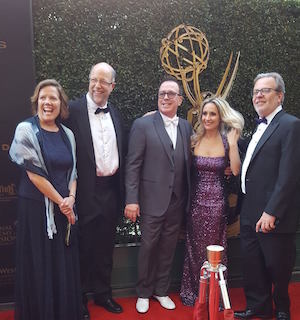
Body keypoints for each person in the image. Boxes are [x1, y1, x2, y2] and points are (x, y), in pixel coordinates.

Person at [9, 79, 81, 320]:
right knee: (40, 267)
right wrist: (63, 203)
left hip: (63, 213)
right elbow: (35, 175)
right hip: (37, 214)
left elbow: (73, 172)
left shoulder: (68, 134)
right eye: (43, 98)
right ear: (36, 102)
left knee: (62, 266)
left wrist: (71, 198)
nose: (48, 103)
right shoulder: (26, 130)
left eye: (53, 98)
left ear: (61, 104)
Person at [234, 72, 300, 320]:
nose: (258, 95)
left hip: (272, 213)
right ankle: (257, 307)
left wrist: (272, 211)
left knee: (277, 264)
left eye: (265, 90)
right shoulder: (261, 127)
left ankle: (282, 309)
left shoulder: (291, 125)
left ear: (280, 95)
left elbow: (290, 175)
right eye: (255, 91)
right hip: (249, 209)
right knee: (252, 263)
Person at [124, 77, 193, 313]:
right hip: (151, 200)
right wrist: (131, 199)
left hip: (177, 200)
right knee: (149, 247)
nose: (165, 97)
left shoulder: (185, 126)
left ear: (180, 100)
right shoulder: (143, 125)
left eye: (171, 94)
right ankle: (143, 292)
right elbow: (133, 164)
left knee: (168, 248)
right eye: (162, 93)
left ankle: (161, 291)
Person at [65, 62, 124, 319]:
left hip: (110, 191)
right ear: (89, 81)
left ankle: (103, 294)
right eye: (94, 80)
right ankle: (79, 299)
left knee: (104, 248)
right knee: (83, 249)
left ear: (112, 86)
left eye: (104, 81)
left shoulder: (116, 114)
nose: (98, 85)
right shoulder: (72, 111)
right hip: (84, 191)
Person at [179, 97, 244, 306]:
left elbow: (235, 170)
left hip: (217, 204)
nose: (207, 118)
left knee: (214, 249)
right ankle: (194, 291)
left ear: (220, 117)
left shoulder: (227, 141)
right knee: (194, 247)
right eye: (205, 114)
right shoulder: (193, 140)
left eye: (212, 114)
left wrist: (233, 144)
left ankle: (214, 294)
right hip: (195, 203)